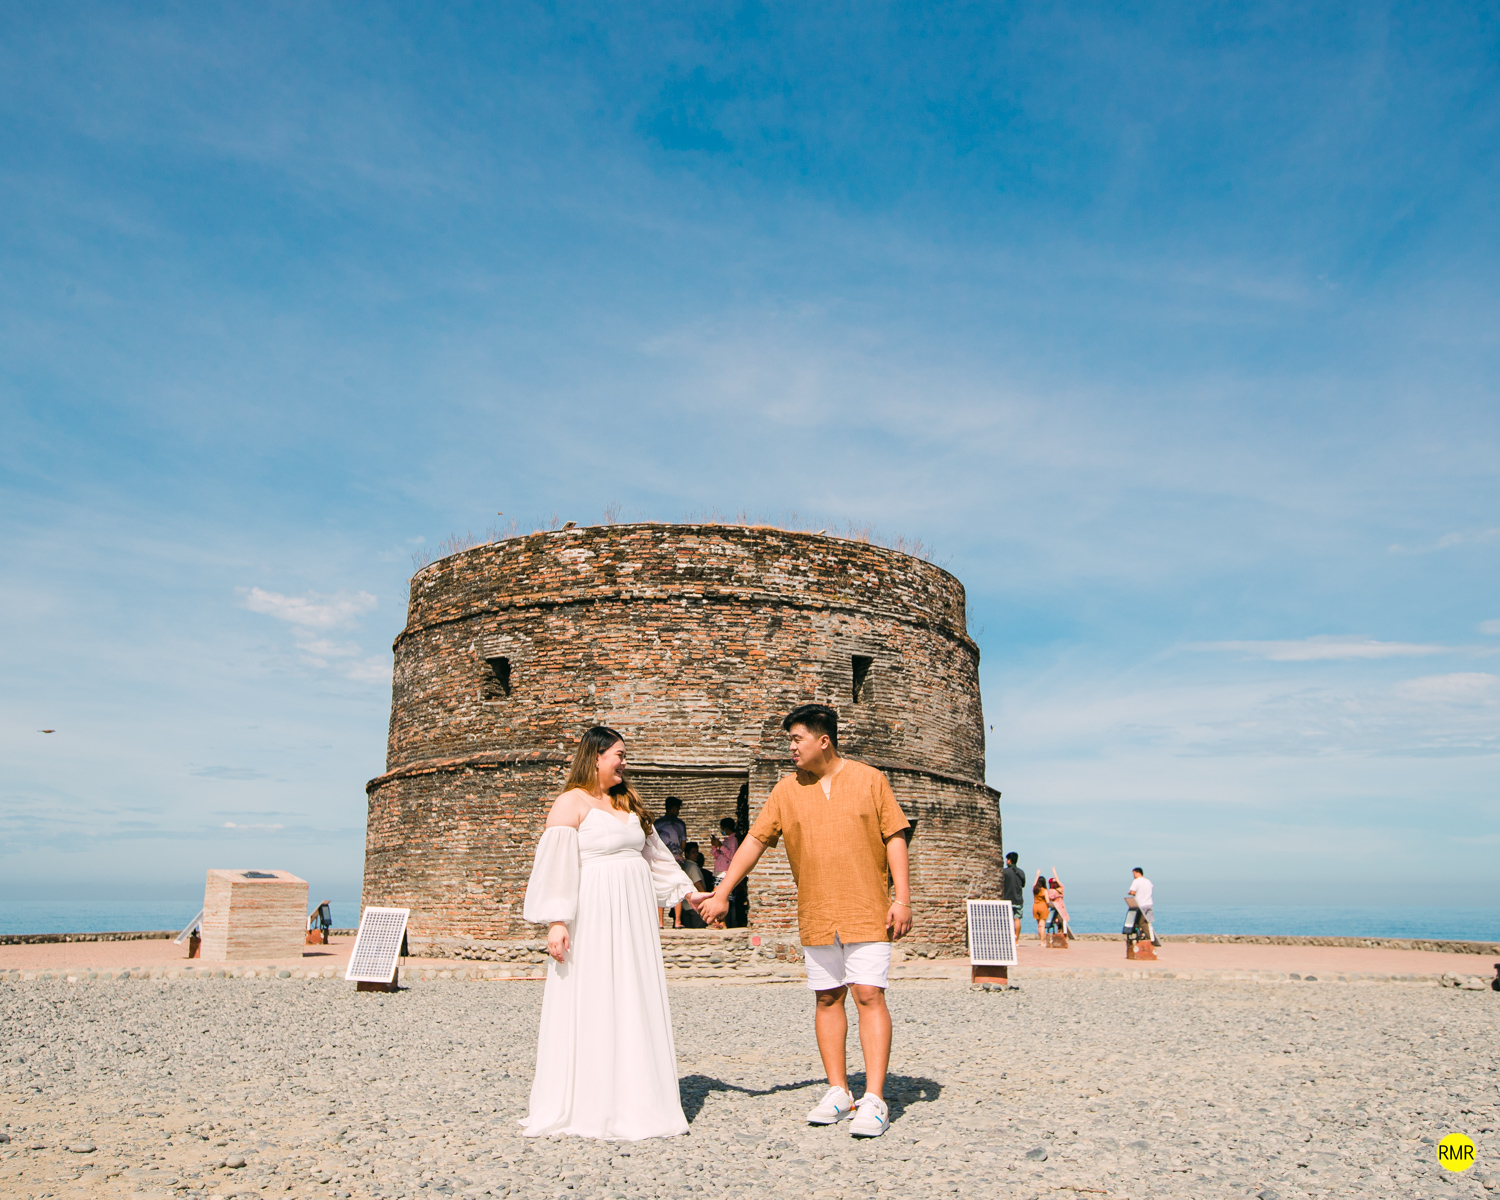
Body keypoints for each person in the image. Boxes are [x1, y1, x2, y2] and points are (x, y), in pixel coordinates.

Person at [694, 703, 911, 1139]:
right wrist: (722, 892)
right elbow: (755, 841)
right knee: (827, 998)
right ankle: (838, 1090)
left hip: (866, 907)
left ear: (823, 740)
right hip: (817, 911)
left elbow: (895, 836)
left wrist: (902, 899)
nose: (791, 747)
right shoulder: (786, 790)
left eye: (797, 739)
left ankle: (874, 1098)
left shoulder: (870, 779)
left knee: (868, 994)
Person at [520, 726, 709, 1140]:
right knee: (595, 992)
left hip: (633, 915)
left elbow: (657, 858)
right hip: (593, 913)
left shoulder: (628, 801)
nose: (624, 762)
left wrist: (689, 893)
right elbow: (556, 865)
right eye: (619, 755)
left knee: (632, 991)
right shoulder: (570, 803)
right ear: (596, 756)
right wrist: (557, 920)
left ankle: (637, 1096)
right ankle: (592, 1099)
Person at [653, 797, 689, 928]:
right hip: (676, 858)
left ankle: (660, 922)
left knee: (660, 886)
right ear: (673, 808)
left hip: (661, 858)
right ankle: (677, 921)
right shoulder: (680, 824)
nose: (678, 811)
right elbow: (683, 843)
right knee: (677, 886)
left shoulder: (657, 824)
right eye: (677, 808)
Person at [710, 816, 748, 928]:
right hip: (718, 872)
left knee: (723, 897)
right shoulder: (726, 841)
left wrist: (721, 846)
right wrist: (714, 846)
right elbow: (717, 856)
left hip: (726, 872)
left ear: (726, 828)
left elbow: (732, 856)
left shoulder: (733, 840)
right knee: (717, 896)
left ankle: (724, 922)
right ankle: (720, 921)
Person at [679, 843, 708, 929]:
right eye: (693, 852)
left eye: (697, 852)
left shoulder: (684, 866)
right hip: (695, 905)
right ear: (687, 854)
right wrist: (706, 900)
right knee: (699, 931)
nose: (696, 855)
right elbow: (698, 885)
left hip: (685, 905)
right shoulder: (693, 867)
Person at [1000, 851, 1026, 943]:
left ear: (1009, 860)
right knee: (1017, 919)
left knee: (1007, 920)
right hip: (1018, 899)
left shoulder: (1004, 872)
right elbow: (1023, 885)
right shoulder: (1021, 872)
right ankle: (1016, 940)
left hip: (1007, 898)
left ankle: (1008, 939)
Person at [1128, 867, 1157, 944]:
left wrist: (1129, 892)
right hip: (1149, 904)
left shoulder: (1136, 881)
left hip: (1141, 904)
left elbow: (1132, 892)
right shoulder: (1148, 881)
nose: (1133, 875)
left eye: (1134, 873)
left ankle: (1148, 938)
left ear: (1138, 873)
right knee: (1147, 922)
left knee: (1140, 922)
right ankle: (1145, 935)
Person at [1046, 875, 1073, 941]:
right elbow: (1061, 885)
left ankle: (1059, 933)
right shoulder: (1061, 889)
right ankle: (1063, 934)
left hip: (1056, 906)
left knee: (1056, 921)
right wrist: (1055, 874)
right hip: (1061, 905)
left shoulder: (1051, 891)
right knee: (1063, 920)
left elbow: (1049, 900)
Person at [1032, 872, 1049, 941]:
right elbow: (1047, 901)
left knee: (1038, 925)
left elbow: (1034, 884)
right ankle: (1042, 941)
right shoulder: (1044, 890)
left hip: (1035, 906)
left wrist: (1037, 875)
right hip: (1043, 906)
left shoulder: (1035, 890)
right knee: (1042, 925)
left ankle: (1041, 939)